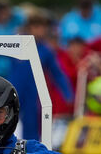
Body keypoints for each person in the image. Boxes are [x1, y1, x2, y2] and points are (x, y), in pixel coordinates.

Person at [9, 12, 73, 140]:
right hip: (13, 90)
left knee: (31, 125)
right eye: (37, 27)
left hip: (33, 94)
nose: (41, 31)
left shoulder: (46, 50)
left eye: (43, 27)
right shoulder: (16, 44)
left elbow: (57, 73)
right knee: (8, 123)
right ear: (29, 28)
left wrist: (67, 93)